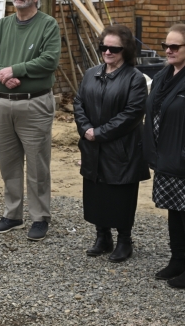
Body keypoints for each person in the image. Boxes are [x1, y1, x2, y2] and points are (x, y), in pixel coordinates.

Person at [0, 0, 60, 241]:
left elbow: (49, 61)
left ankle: (40, 217)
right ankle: (12, 214)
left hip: (34, 103)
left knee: (37, 164)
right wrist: (1, 76)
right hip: (3, 104)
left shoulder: (48, 25)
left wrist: (15, 70)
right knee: (9, 163)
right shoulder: (1, 25)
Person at [74, 24, 148, 263]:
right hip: (93, 146)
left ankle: (124, 240)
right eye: (104, 47)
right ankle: (102, 236)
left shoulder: (135, 78)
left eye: (113, 49)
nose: (107, 52)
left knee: (121, 194)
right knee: (96, 191)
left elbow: (132, 113)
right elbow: (79, 103)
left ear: (125, 50)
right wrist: (86, 129)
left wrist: (100, 132)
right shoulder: (91, 73)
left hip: (122, 148)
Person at [144, 24, 185, 287]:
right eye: (165, 46)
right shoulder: (162, 76)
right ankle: (178, 260)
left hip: (181, 157)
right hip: (165, 156)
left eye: (175, 47)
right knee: (174, 210)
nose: (168, 51)